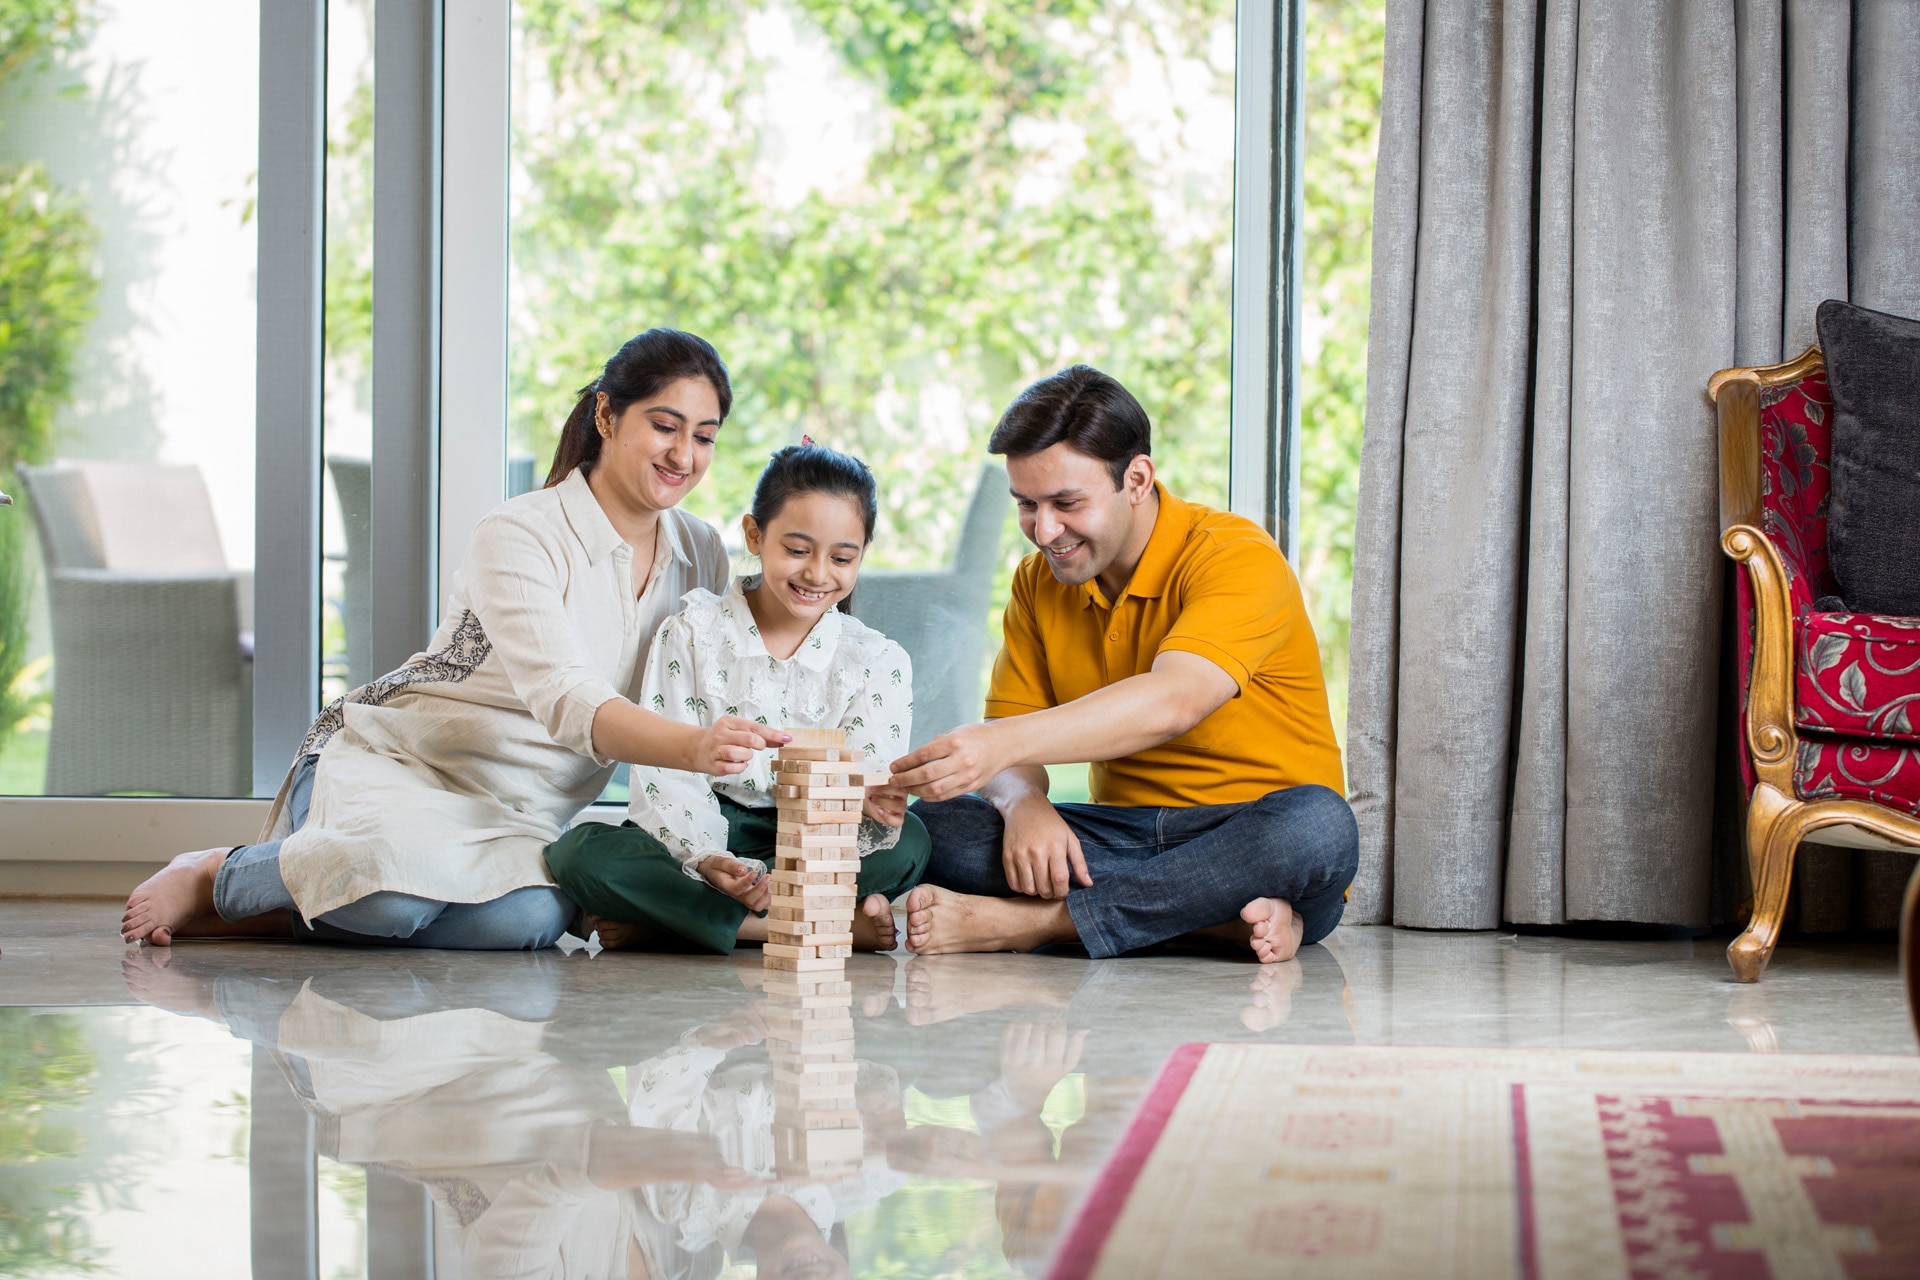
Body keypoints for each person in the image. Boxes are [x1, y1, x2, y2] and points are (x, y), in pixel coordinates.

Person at [119, 328, 787, 949]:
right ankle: (220, 875)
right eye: (664, 426)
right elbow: (566, 698)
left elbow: (706, 683)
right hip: (410, 766)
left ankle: (284, 911)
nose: (683, 454)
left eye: (705, 436)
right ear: (608, 417)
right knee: (388, 898)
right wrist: (698, 746)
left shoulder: (701, 551)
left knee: (527, 921)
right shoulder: (521, 532)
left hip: (523, 808)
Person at [892, 365, 1357, 963]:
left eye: (1066, 503)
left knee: (1319, 825)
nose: (1044, 530)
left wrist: (996, 744)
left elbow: (1175, 701)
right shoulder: (1039, 583)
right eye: (1026, 505)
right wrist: (1024, 804)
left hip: (1245, 838)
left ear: (1136, 479)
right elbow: (1015, 751)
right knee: (936, 826)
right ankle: (1209, 922)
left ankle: (1042, 924)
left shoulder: (1235, 557)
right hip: (1117, 839)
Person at [544, 443, 928, 954]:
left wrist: (871, 798)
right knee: (580, 853)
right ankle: (800, 926)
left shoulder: (877, 659)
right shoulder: (691, 632)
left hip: (811, 840)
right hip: (706, 819)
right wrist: (705, 857)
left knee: (914, 843)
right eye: (797, 549)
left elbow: (869, 774)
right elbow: (669, 773)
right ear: (755, 535)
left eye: (841, 558)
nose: (817, 574)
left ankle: (672, 923)